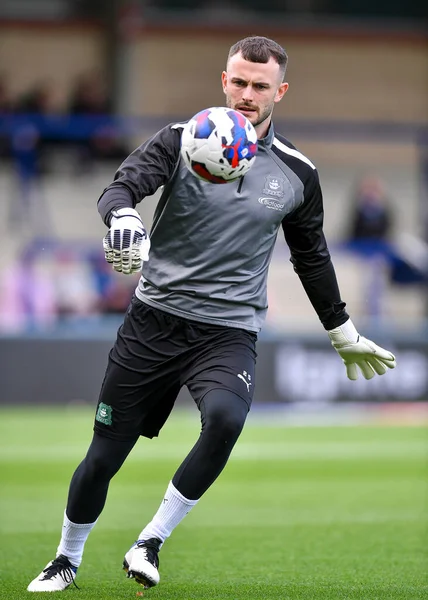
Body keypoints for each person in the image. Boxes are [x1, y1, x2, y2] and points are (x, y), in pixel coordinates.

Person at [27, 36, 396, 593]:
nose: (248, 95)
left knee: (225, 420)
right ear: (224, 81)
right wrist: (122, 216)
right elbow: (121, 187)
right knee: (104, 456)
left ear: (281, 92)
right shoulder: (178, 141)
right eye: (239, 82)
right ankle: (66, 559)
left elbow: (312, 256)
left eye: (260, 86)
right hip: (153, 321)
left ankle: (150, 541)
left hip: (227, 331)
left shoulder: (297, 173)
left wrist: (341, 331)